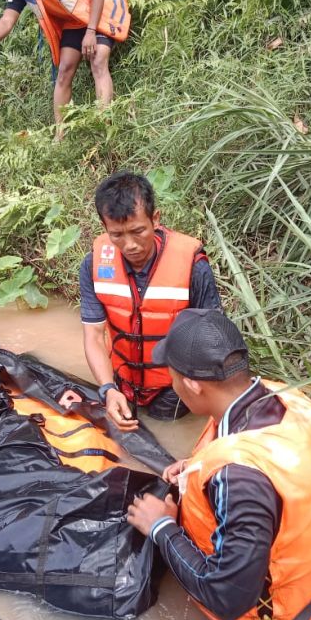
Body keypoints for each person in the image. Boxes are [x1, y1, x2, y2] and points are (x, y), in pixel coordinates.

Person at [127, 309, 311, 620]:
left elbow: (226, 596)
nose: (172, 385)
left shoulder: (239, 477)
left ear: (192, 385)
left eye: (171, 376)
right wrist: (196, 466)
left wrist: (161, 527)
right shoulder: (289, 402)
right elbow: (281, 472)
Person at [79, 171, 221, 429]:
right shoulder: (93, 265)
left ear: (155, 219)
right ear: (105, 228)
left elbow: (210, 337)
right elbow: (93, 335)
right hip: (121, 378)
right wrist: (108, 389)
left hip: (173, 386)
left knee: (167, 428)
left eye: (137, 231)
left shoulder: (193, 266)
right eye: (117, 235)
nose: (130, 244)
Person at [0, 0, 129, 127]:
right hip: (75, 20)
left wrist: (91, 31)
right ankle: (60, 134)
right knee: (64, 71)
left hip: (101, 12)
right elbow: (7, 20)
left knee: (98, 60)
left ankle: (105, 126)